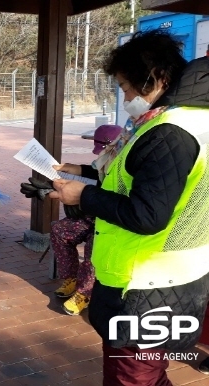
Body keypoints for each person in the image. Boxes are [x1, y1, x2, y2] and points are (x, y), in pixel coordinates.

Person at [49, 30, 209, 385]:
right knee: (147, 376)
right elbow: (143, 175)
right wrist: (84, 172)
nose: (125, 97)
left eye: (126, 86)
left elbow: (148, 214)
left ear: (157, 78)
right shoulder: (192, 120)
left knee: (133, 379)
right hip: (180, 274)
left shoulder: (168, 130)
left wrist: (83, 196)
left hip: (145, 283)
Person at [50, 124, 122, 316]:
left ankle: (84, 293)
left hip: (111, 221)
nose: (101, 153)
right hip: (92, 215)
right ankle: (71, 278)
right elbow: (91, 174)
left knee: (94, 247)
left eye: (105, 148)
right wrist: (64, 172)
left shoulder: (124, 166)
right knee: (59, 229)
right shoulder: (103, 160)